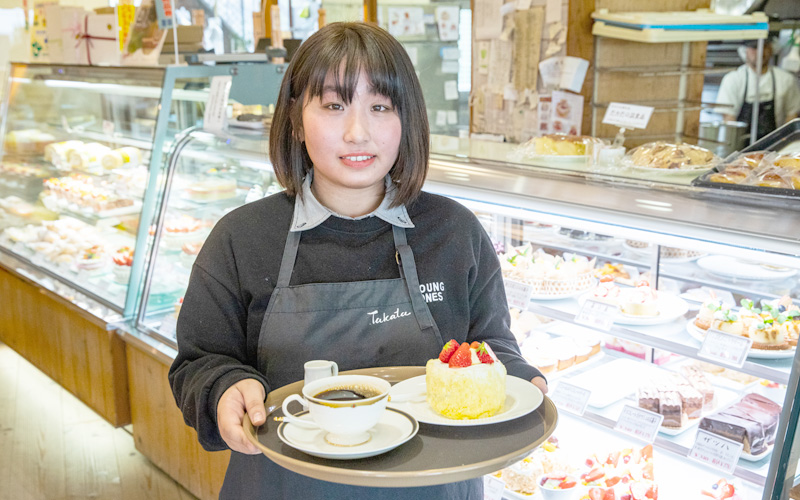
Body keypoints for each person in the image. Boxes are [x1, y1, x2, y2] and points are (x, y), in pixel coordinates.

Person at [169, 22, 548, 500]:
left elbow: (488, 346)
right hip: (283, 488)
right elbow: (199, 363)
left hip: (432, 488)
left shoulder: (454, 232)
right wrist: (224, 387)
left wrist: (516, 379)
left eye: (380, 107)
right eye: (333, 105)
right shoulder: (242, 238)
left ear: (406, 119)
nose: (358, 132)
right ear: (294, 118)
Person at [716, 38, 800, 140]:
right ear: (745, 51)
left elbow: (791, 115)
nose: (760, 52)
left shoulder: (786, 79)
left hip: (776, 145)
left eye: (764, 47)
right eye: (754, 47)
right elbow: (728, 117)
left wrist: (784, 142)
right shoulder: (733, 79)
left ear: (771, 49)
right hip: (739, 146)